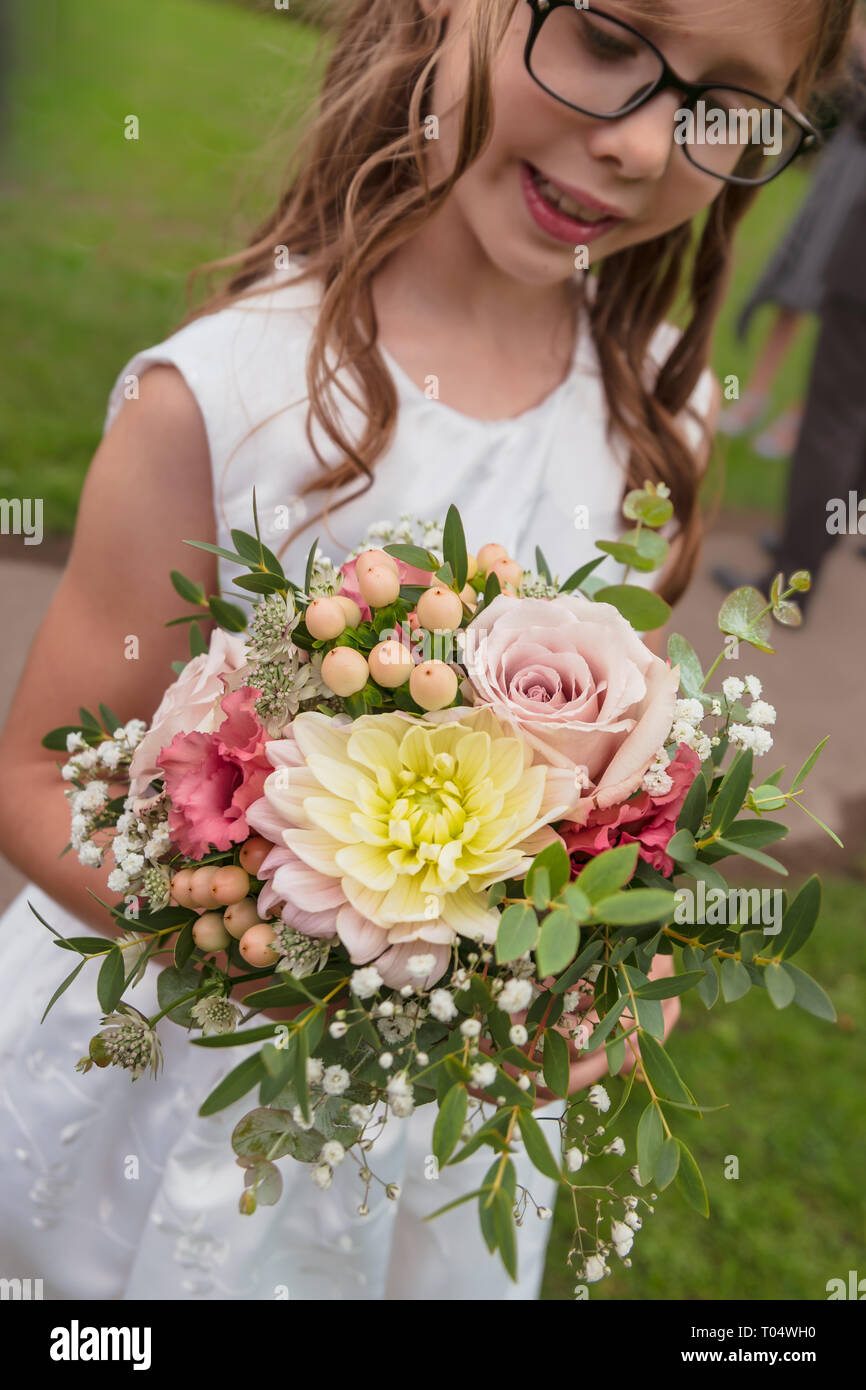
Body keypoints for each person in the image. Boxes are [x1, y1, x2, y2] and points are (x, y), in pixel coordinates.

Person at [0, 0, 856, 1301]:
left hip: (435, 1128)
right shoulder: (228, 397)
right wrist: (297, 967)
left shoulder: (664, 409)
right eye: (610, 41)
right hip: (182, 1076)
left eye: (724, 103)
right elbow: (34, 774)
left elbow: (615, 776)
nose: (640, 143)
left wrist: (627, 967)